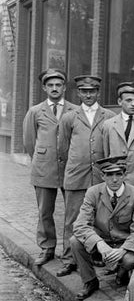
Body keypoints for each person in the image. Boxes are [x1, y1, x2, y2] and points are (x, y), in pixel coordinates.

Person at [55, 75, 115, 276]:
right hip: (76, 175)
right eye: (84, 91)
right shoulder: (69, 117)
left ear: (98, 92)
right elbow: (62, 149)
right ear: (78, 93)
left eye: (92, 91)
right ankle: (69, 258)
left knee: (99, 218)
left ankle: (95, 255)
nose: (88, 95)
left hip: (99, 176)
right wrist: (71, 169)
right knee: (72, 218)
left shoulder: (108, 116)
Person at [70, 155, 134, 299]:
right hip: (101, 242)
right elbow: (80, 225)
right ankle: (90, 281)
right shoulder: (93, 192)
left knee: (130, 260)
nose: (114, 179)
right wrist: (99, 243)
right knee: (75, 241)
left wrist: (123, 250)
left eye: (118, 174)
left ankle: (123, 271)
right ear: (102, 176)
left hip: (124, 244)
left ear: (125, 175)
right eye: (109, 174)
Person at [23, 69, 77, 266]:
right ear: (44, 88)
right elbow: (29, 142)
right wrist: (42, 158)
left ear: (64, 87)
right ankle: (47, 247)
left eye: (58, 85)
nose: (55, 88)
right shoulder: (35, 111)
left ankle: (71, 252)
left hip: (70, 168)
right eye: (51, 85)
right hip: (44, 169)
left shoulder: (75, 110)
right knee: (45, 211)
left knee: (73, 212)